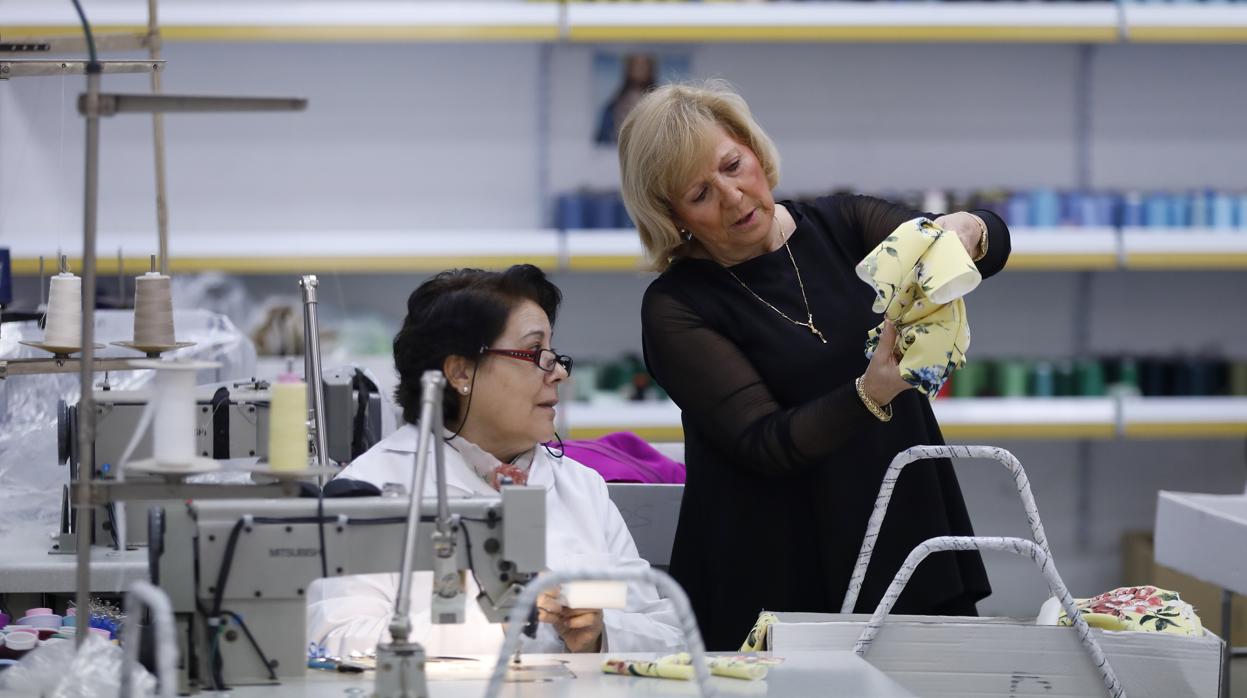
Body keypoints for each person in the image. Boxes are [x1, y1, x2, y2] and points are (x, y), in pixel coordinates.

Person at [617, 81, 1011, 650]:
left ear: (755, 150)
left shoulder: (843, 226)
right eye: (700, 193)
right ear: (671, 214)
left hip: (899, 530)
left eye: (733, 165)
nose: (732, 196)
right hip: (774, 564)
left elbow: (987, 243)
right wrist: (868, 394)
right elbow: (763, 441)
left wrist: (967, 229)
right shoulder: (678, 307)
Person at [307, 265, 686, 657]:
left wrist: (600, 634)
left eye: (554, 355)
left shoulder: (582, 487)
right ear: (460, 371)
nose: (557, 373)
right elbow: (334, 639)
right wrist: (497, 627)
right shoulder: (372, 489)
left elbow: (667, 634)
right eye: (535, 353)